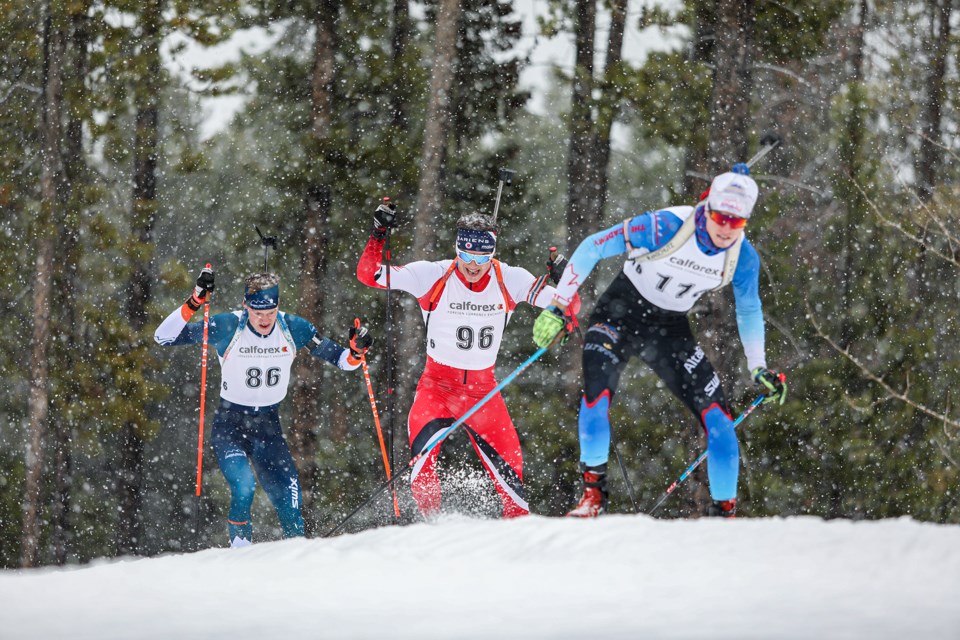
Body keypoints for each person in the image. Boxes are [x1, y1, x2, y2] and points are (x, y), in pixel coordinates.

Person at [532, 166, 787, 518]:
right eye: (721, 217)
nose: (727, 229)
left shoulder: (743, 257)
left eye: (737, 222)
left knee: (720, 421)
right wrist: (558, 305)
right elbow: (594, 246)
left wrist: (758, 366)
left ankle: (724, 518)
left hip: (670, 330)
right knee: (596, 395)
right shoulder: (666, 226)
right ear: (707, 208)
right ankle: (592, 497)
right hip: (619, 314)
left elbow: (749, 309)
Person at [357, 200, 578, 518]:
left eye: (482, 257)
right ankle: (432, 531)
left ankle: (518, 541)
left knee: (513, 473)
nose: (473, 265)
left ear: (493, 253)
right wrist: (378, 233)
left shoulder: (510, 279)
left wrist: (565, 279)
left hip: (483, 391)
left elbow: (569, 306)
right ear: (456, 249)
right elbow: (368, 275)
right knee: (421, 466)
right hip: (437, 388)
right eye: (466, 255)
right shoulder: (432, 275)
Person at [154, 268, 372, 547]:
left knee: (290, 500)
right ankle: (241, 555)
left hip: (268, 428)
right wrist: (195, 301)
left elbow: (343, 361)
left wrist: (356, 351)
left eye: (271, 312)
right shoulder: (228, 326)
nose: (265, 319)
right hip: (230, 425)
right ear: (246, 306)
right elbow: (164, 337)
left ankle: (297, 560)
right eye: (258, 313)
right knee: (243, 488)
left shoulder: (294, 327)